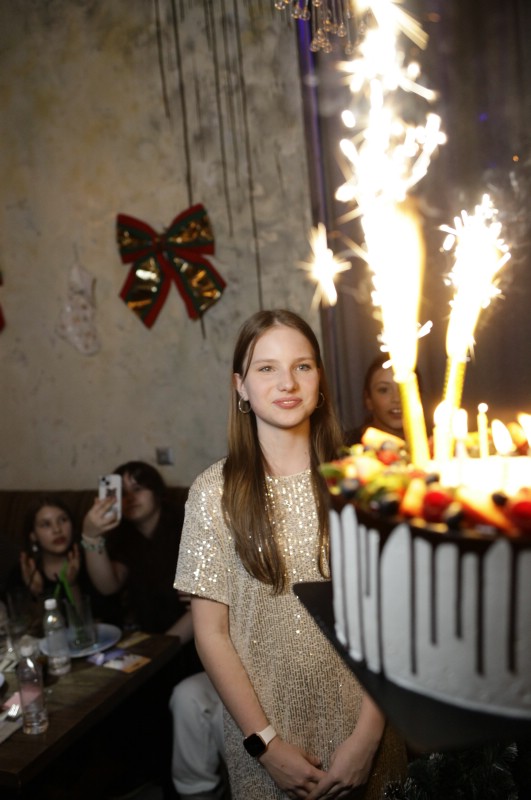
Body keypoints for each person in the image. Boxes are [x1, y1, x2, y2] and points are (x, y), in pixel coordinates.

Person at [175, 309, 407, 800]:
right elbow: (212, 634)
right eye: (267, 368)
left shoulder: (364, 480)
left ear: (319, 381)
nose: (288, 382)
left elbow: (394, 618)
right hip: (267, 746)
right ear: (240, 386)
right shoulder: (212, 493)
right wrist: (265, 745)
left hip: (368, 730)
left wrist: (369, 736)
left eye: (302, 366)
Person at [82, 460, 225, 799]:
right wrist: (91, 536)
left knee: (163, 683)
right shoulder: (125, 536)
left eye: (138, 487)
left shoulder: (186, 521)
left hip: (197, 641)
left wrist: (162, 647)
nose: (130, 496)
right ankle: (150, 775)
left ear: (158, 491)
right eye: (123, 490)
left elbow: (202, 603)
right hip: (153, 641)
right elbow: (107, 584)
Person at [6, 495, 110, 634]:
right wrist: (37, 594)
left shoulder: (92, 562)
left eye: (63, 520)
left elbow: (88, 626)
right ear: (33, 535)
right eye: (46, 524)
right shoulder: (23, 572)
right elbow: (30, 631)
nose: (57, 530)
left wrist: (72, 585)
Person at [345, 354, 406, 445]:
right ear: (368, 400)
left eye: (403, 388)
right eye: (384, 390)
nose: (397, 399)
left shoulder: (428, 445)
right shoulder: (343, 447)